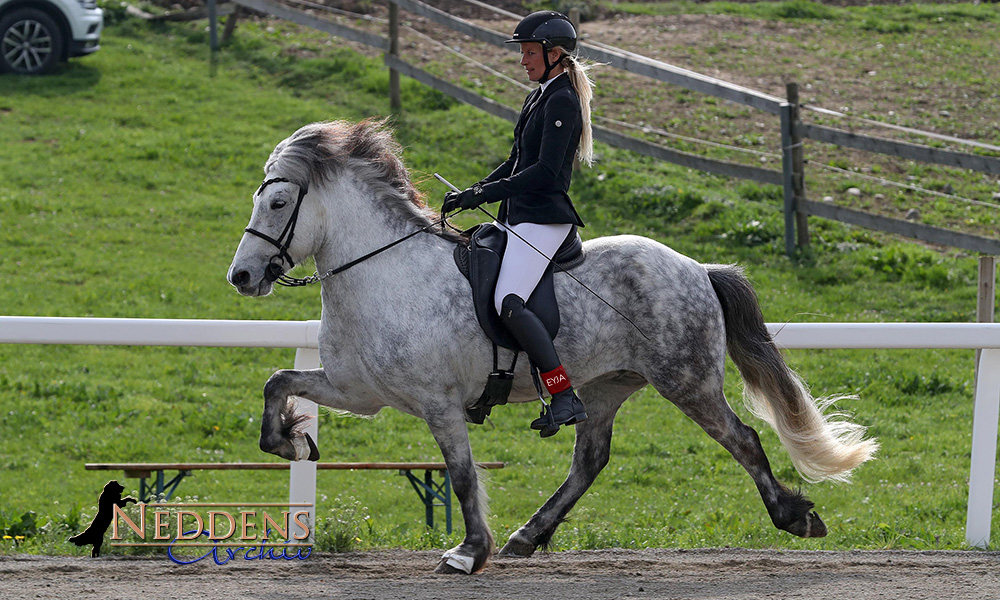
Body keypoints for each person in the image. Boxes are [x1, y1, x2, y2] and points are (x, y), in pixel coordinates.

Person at [443, 11, 596, 438]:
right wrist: (473, 191)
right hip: (520, 215)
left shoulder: (563, 99)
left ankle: (563, 394)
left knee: (509, 301)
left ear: (555, 53)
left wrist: (485, 196)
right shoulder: (538, 96)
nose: (523, 61)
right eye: (524, 53)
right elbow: (515, 163)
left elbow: (546, 173)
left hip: (544, 219)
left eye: (530, 53)